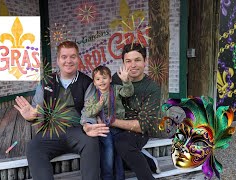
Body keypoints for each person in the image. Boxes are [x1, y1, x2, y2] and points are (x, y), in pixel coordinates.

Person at [14, 41, 109, 180]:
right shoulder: (46, 82)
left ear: (78, 59)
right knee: (34, 147)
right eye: (64, 57)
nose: (68, 61)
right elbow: (36, 109)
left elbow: (89, 109)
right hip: (52, 131)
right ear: (58, 60)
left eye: (73, 56)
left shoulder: (87, 83)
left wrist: (87, 125)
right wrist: (31, 117)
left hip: (77, 130)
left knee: (92, 143)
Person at [111, 43, 161, 180]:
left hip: (137, 132)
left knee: (122, 142)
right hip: (115, 128)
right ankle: (147, 160)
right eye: (128, 61)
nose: (133, 65)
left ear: (145, 62)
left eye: (137, 60)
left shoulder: (152, 87)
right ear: (123, 63)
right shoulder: (115, 79)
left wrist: (112, 121)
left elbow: (142, 126)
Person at [84, 65, 134, 180]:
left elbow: (128, 93)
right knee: (108, 149)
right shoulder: (94, 96)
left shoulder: (116, 89)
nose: (101, 81)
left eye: (104, 78)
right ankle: (107, 177)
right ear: (94, 83)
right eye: (98, 79)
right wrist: (99, 105)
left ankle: (120, 177)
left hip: (118, 127)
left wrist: (126, 81)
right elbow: (89, 112)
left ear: (110, 79)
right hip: (104, 128)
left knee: (119, 151)